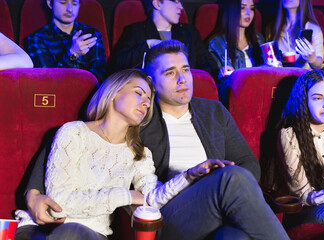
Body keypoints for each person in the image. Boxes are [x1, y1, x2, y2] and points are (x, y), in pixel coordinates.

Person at [20, 40, 289, 240]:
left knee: (236, 234)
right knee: (233, 178)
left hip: (217, 202)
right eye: (170, 73)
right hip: (169, 212)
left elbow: (247, 163)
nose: (183, 78)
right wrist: (33, 194)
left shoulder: (213, 111)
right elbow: (78, 138)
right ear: (152, 82)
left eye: (185, 69)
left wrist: (211, 181)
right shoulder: (140, 119)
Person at [15, 68, 235, 239]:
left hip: (91, 233)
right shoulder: (74, 132)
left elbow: (153, 199)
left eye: (148, 100)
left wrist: (190, 175)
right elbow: (59, 202)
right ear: (114, 93)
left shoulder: (139, 153)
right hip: (41, 229)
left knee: (71, 233)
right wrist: (125, 195)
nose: (145, 103)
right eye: (138, 93)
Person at [262, 70, 324, 239]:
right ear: (304, 102)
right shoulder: (289, 135)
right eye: (318, 98)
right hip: (302, 211)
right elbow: (303, 196)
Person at [110, 0, 218, 80]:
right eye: (175, 1)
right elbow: (116, 65)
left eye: (180, 2)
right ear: (157, 3)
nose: (180, 7)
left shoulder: (189, 32)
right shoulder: (136, 31)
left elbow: (209, 66)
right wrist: (147, 45)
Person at [25, 0, 106, 83]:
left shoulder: (91, 34)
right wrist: (73, 54)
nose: (70, 9)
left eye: (74, 3)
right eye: (63, 2)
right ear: (50, 3)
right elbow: (48, 81)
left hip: (91, 93)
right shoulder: (37, 38)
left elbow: (100, 74)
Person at [208, 0, 264, 103]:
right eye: (242, 8)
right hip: (233, 101)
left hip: (259, 98)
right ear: (232, 11)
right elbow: (215, 85)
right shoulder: (216, 44)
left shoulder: (259, 39)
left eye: (252, 8)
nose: (248, 13)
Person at [269, 0, 324, 69]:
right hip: (280, 76)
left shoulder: (311, 28)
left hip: (303, 77)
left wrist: (312, 59)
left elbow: (319, 64)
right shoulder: (273, 28)